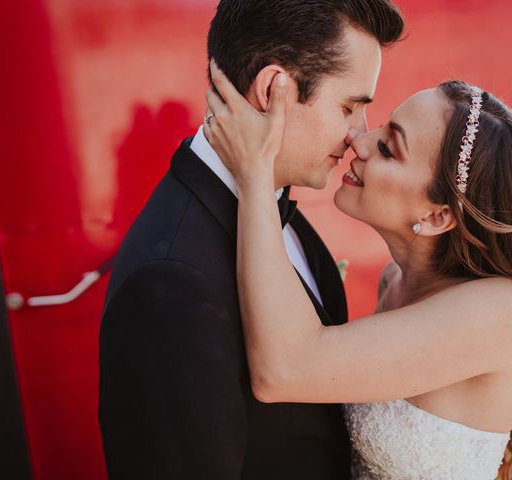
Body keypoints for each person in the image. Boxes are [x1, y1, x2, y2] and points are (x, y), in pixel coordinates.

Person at [203, 61, 512, 479]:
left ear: (437, 215)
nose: (358, 141)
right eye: (383, 129)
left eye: (387, 148)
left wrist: (255, 170)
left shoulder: (502, 311)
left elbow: (282, 371)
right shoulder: (393, 281)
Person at [98, 1, 404, 479]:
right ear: (272, 89)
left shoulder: (276, 206)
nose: (357, 136)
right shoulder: (169, 280)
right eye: (349, 107)